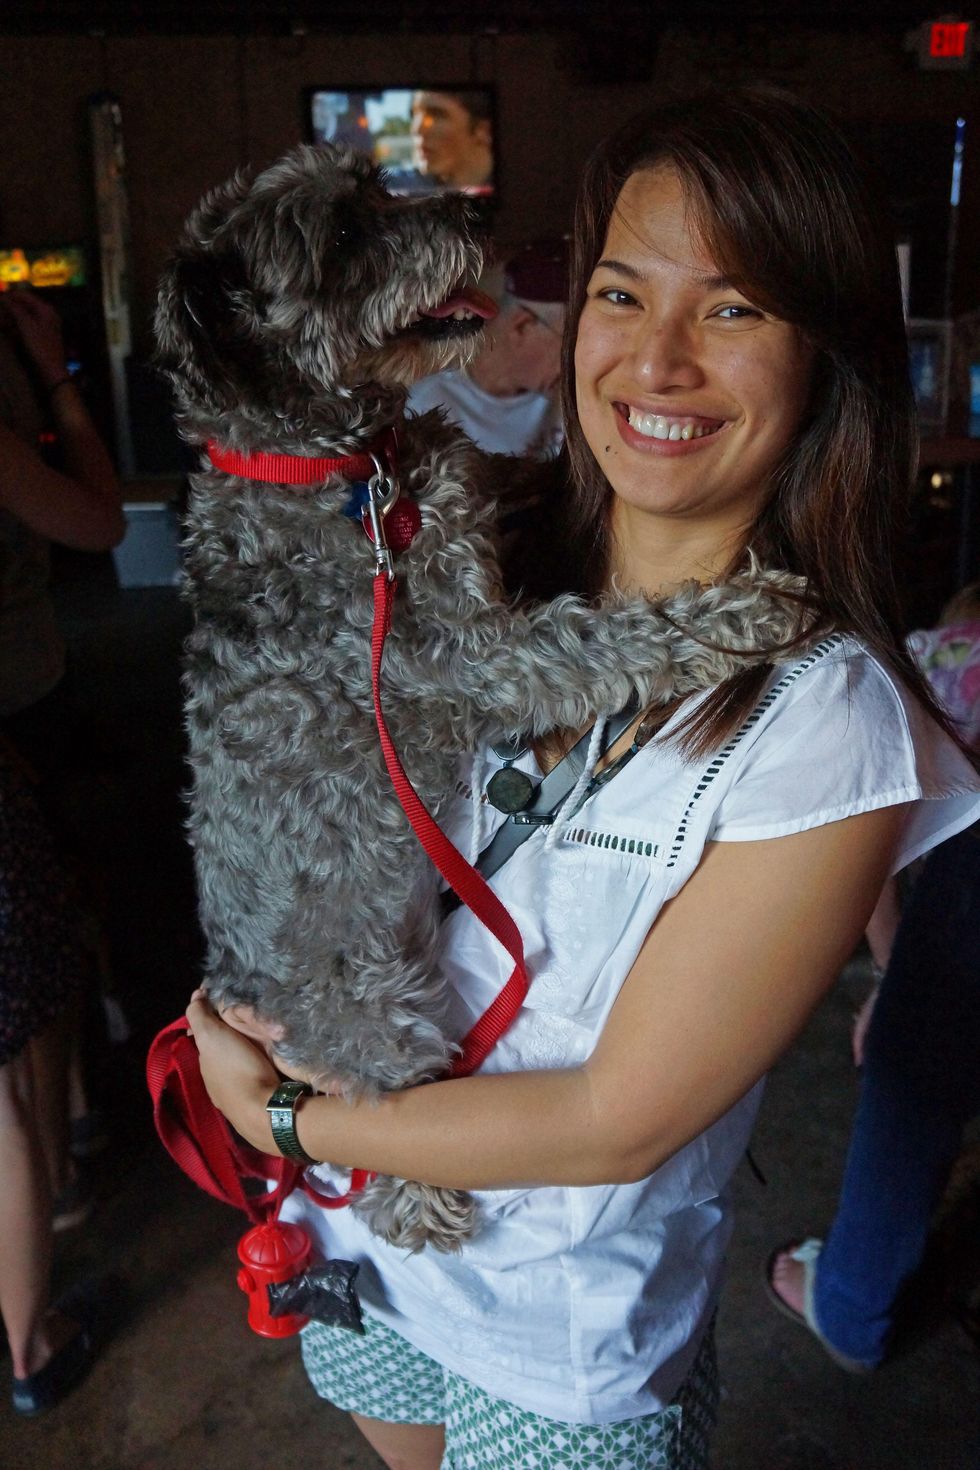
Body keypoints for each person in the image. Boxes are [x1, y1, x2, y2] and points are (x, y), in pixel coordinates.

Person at [186, 89, 980, 1470]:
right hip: (357, 1243)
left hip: (550, 1335)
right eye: (620, 293)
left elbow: (617, 1121)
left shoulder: (832, 724)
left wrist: (287, 1113)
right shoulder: (459, 542)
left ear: (827, 356)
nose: (655, 360)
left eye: (730, 309)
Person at [766, 586, 980, 1373]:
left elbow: (872, 837)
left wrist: (894, 982)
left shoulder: (935, 666)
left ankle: (851, 1305)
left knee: (911, 1078)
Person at [0, 288, 124, 1232]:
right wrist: (60, 385)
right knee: (40, 938)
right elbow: (99, 523)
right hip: (17, 693)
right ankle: (57, 1163)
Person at [406, 238, 569, 457]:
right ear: (523, 326)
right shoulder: (426, 409)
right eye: (571, 341)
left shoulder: (569, 399)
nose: (579, 360)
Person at [410, 90, 493, 193]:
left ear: (483, 130)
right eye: (414, 115)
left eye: (436, 114)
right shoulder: (408, 188)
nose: (416, 129)